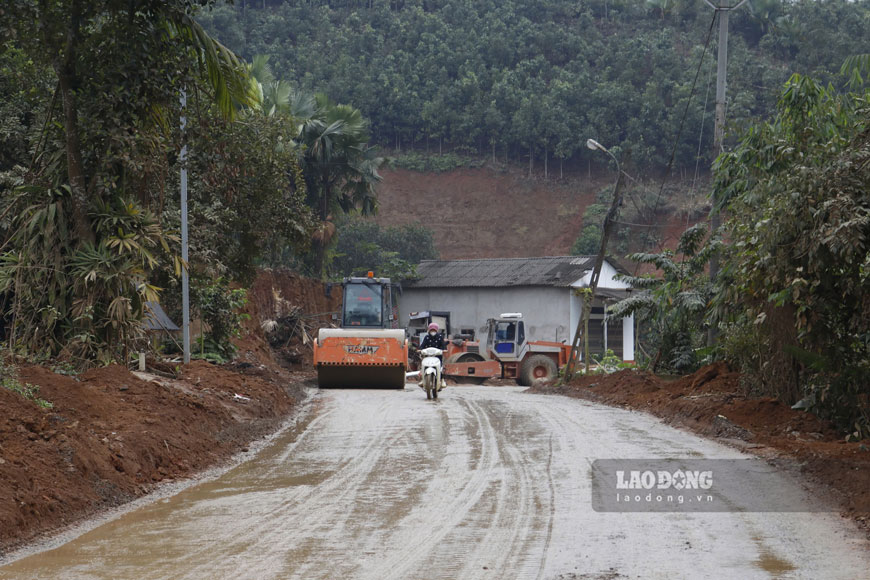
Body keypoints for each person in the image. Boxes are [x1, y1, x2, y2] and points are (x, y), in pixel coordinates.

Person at [419, 322, 446, 389]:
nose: (432, 332)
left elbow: (443, 346)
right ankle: (423, 380)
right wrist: (420, 350)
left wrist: (444, 350)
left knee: (440, 368)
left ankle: (442, 380)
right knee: (424, 366)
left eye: (434, 330)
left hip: (437, 356)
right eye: (431, 330)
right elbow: (422, 346)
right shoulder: (427, 337)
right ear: (429, 330)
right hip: (428, 356)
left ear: (437, 330)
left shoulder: (440, 337)